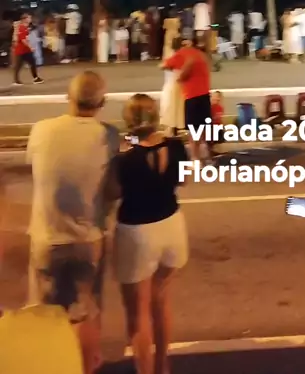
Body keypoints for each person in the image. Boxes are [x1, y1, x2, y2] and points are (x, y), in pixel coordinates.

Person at [26, 71, 119, 374]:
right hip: (88, 239)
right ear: (102, 102)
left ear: (68, 97)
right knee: (86, 312)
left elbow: (36, 169)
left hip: (47, 236)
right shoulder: (109, 135)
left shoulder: (42, 130)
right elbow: (113, 189)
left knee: (44, 316)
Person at [110, 94, 188, 374]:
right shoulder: (177, 147)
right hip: (171, 224)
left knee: (138, 312)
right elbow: (183, 180)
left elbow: (114, 192)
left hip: (137, 231)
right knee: (161, 301)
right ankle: (162, 364)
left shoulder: (125, 159)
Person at [163, 39, 212, 163]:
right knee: (203, 126)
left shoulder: (182, 54)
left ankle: (195, 157)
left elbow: (164, 65)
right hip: (204, 93)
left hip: (192, 95)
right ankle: (204, 154)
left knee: (193, 128)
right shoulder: (200, 54)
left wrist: (179, 74)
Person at [160, 37, 184, 135]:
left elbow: (162, 66)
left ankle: (171, 128)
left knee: (170, 106)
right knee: (178, 108)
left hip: (172, 84)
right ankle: (176, 128)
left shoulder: (174, 57)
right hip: (181, 84)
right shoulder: (183, 56)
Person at [11, 14, 44, 87]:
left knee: (32, 63)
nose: (30, 19)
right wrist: (30, 47)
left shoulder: (25, 27)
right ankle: (16, 80)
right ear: (24, 19)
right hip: (21, 50)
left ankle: (36, 78)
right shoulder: (22, 28)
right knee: (18, 66)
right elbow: (23, 40)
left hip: (25, 50)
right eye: (29, 18)